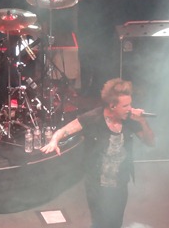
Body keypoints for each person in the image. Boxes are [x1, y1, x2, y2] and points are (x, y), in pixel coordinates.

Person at [40, 78, 155, 228]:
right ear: (112, 105)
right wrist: (54, 141)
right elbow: (64, 130)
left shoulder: (130, 120)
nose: (130, 109)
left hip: (120, 183)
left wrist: (142, 121)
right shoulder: (93, 118)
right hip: (97, 185)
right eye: (125, 105)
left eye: (130, 104)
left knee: (115, 223)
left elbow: (150, 142)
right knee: (100, 223)